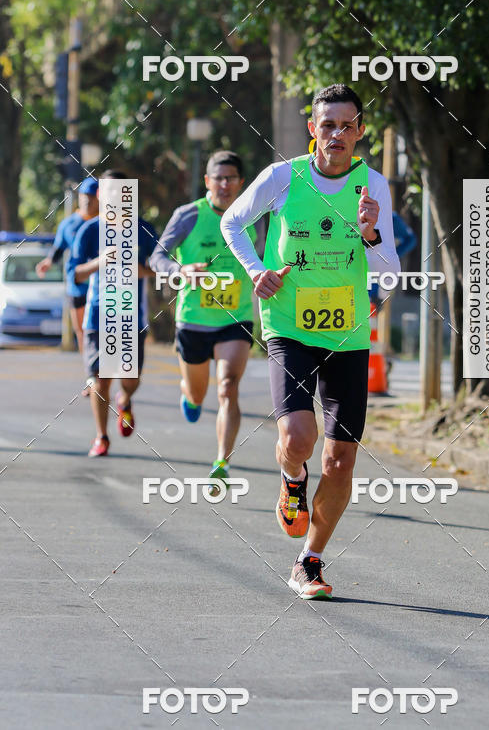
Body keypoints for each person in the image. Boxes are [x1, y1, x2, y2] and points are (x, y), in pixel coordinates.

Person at [222, 83, 400, 599]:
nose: (337, 134)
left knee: (341, 459)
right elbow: (234, 223)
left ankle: (310, 561)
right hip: (289, 325)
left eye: (347, 125)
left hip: (346, 331)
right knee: (299, 438)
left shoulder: (374, 187)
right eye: (328, 124)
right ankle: (291, 478)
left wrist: (371, 237)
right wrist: (256, 271)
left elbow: (389, 272)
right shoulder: (283, 177)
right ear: (312, 130)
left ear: (360, 131)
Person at [149, 150, 257, 486]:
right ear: (207, 181)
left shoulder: (257, 216)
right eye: (218, 179)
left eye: (232, 179)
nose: (225, 185)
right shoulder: (187, 215)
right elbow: (156, 257)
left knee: (227, 387)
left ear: (241, 183)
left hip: (235, 318)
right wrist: (181, 270)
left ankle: (222, 460)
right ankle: (189, 394)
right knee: (198, 395)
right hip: (194, 320)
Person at [67, 170, 157, 457]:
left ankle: (125, 399)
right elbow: (74, 275)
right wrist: (99, 262)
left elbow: (159, 267)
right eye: (109, 193)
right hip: (97, 315)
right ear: (99, 196)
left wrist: (137, 269)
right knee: (99, 378)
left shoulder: (144, 230)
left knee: (130, 380)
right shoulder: (89, 230)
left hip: (132, 317)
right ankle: (101, 436)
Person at [36, 177, 100, 382]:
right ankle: (91, 376)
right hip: (78, 287)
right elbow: (58, 247)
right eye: (84, 197)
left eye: (92, 197)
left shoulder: (107, 222)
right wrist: (48, 262)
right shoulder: (69, 223)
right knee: (83, 332)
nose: (87, 201)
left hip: (101, 286)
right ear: (79, 197)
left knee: (102, 332)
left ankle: (103, 377)